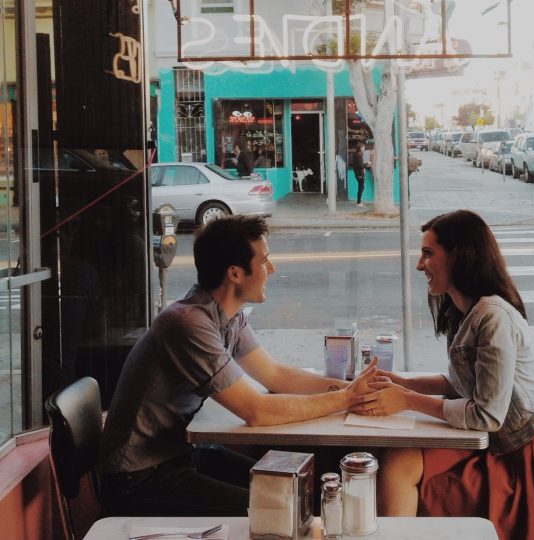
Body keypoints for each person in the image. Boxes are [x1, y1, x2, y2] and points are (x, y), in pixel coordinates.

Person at [99, 215, 378, 517]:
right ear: (235, 273)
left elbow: (276, 376)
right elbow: (255, 411)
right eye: (264, 261)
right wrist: (345, 400)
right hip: (140, 475)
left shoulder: (227, 315)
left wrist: (354, 389)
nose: (272, 269)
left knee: (296, 491)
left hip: (182, 455)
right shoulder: (188, 323)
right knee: (279, 511)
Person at [350, 210, 534, 540]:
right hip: (508, 449)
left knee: (400, 465)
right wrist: (399, 382)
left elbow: (486, 414)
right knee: (400, 457)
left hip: (530, 467)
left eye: (428, 254)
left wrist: (407, 401)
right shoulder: (469, 310)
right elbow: (460, 385)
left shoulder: (493, 316)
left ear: (460, 255)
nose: (419, 265)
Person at [351, 142, 367, 207]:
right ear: (360, 148)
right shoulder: (359, 155)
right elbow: (360, 166)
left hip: (357, 173)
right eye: (363, 147)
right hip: (359, 173)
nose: (364, 148)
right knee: (361, 187)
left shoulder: (356, 154)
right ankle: (359, 202)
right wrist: (367, 164)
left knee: (361, 187)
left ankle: (359, 202)